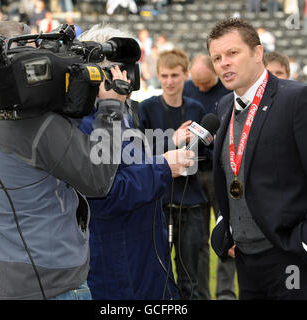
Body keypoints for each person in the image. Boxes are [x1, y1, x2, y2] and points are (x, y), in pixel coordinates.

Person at [0, 21, 131, 300]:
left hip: (0, 280)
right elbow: (99, 180)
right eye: (35, 51)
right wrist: (111, 109)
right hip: (55, 283)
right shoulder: (38, 127)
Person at [208, 18, 307, 300]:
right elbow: (229, 178)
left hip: (293, 259)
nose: (224, 62)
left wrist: (306, 245)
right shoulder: (225, 106)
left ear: (258, 53)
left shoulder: (298, 100)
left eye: (232, 53)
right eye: (217, 57)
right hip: (247, 260)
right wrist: (224, 228)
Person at [77, 24, 194, 300]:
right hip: (119, 266)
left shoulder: (122, 113)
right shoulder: (87, 122)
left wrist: (160, 162)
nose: (132, 78)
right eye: (125, 69)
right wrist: (163, 167)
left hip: (146, 257)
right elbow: (106, 192)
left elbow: (129, 167)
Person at [139, 48, 208, 300]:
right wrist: (172, 140)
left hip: (191, 205)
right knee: (157, 276)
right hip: (158, 205)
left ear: (186, 75)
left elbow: (209, 158)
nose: (169, 81)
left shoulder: (197, 108)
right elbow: (138, 155)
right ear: (157, 75)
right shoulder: (146, 108)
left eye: (175, 76)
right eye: (164, 75)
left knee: (191, 279)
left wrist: (195, 148)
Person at [183, 54, 236, 301]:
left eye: (206, 84)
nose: (201, 88)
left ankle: (225, 293)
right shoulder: (187, 90)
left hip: (221, 173)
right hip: (193, 174)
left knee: (226, 233)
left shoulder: (228, 93)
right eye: (197, 83)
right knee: (198, 240)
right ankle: (201, 294)